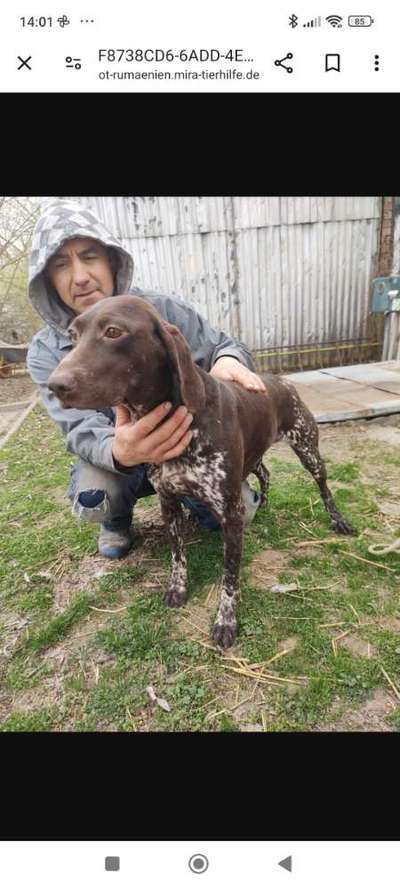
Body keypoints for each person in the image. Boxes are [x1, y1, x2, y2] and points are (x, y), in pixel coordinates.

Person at [27, 199, 266, 559]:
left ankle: (187, 493)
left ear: (111, 260)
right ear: (47, 279)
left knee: (238, 513)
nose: (80, 276)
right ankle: (117, 518)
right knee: (98, 497)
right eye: (61, 264)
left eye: (89, 256)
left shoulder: (159, 312)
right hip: (117, 460)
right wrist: (120, 451)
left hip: (184, 447)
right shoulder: (46, 352)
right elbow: (77, 430)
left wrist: (229, 359)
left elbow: (222, 345)